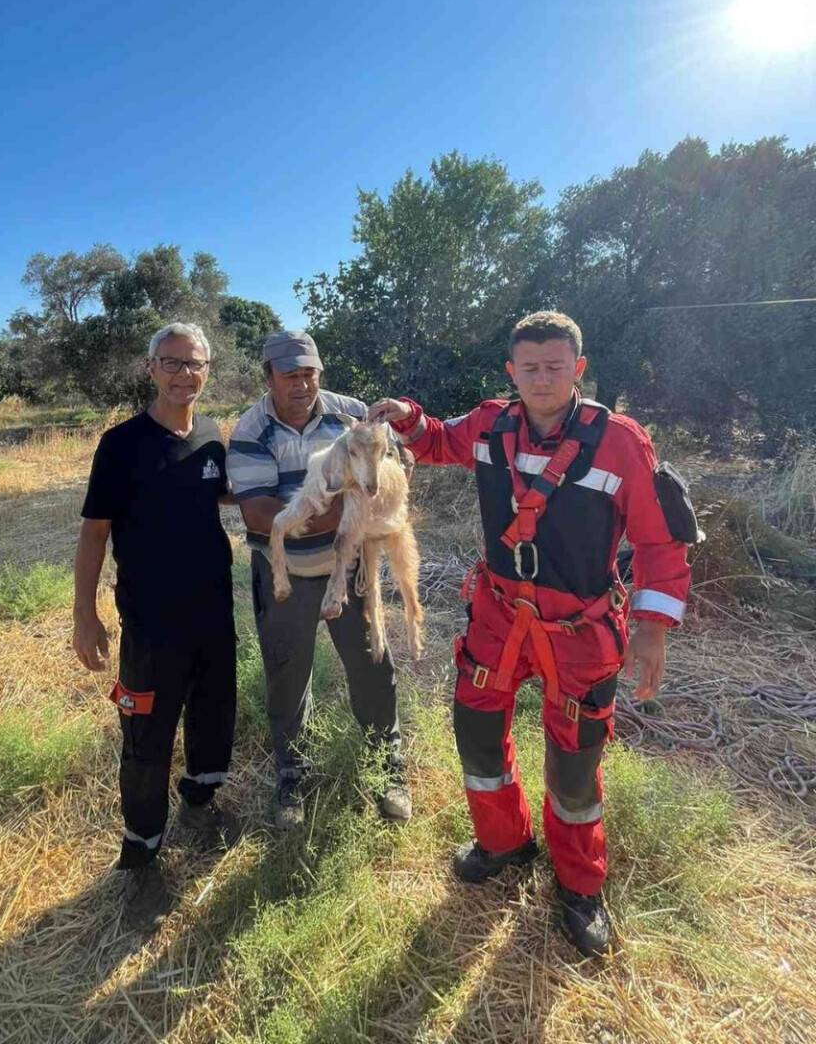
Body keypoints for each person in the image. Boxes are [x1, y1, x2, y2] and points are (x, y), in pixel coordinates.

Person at [369, 311, 698, 957]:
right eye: (529, 368)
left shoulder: (621, 442)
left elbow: (661, 541)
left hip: (579, 629)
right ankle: (503, 843)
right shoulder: (492, 421)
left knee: (575, 772)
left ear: (577, 369)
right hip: (497, 615)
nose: (542, 379)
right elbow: (440, 442)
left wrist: (653, 628)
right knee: (477, 735)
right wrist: (407, 417)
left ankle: (579, 886)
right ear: (511, 372)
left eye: (555, 367)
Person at [72, 321, 239, 930]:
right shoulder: (121, 445)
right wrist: (85, 614)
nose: (183, 374)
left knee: (215, 706)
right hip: (149, 618)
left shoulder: (215, 437)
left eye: (194, 364)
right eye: (171, 363)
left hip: (213, 607)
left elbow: (223, 497)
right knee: (145, 732)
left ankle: (200, 798)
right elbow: (94, 532)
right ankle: (142, 848)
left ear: (207, 371)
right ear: (151, 370)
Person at [227, 330, 412, 830]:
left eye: (309, 372)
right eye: (290, 375)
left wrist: (370, 495)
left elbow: (391, 469)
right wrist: (346, 511)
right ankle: (293, 772)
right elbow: (261, 514)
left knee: (372, 661)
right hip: (287, 570)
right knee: (288, 672)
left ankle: (387, 767)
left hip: (349, 566)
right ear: (268, 377)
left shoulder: (351, 415)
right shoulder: (250, 430)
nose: (302, 384)